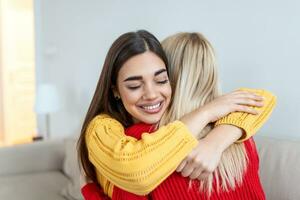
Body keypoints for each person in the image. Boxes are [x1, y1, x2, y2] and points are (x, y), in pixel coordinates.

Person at [77, 30, 276, 199]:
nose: (151, 94)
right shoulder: (243, 136)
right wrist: (210, 119)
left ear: (172, 79)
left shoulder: (140, 143)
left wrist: (90, 190)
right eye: (135, 85)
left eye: (161, 80)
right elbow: (264, 98)